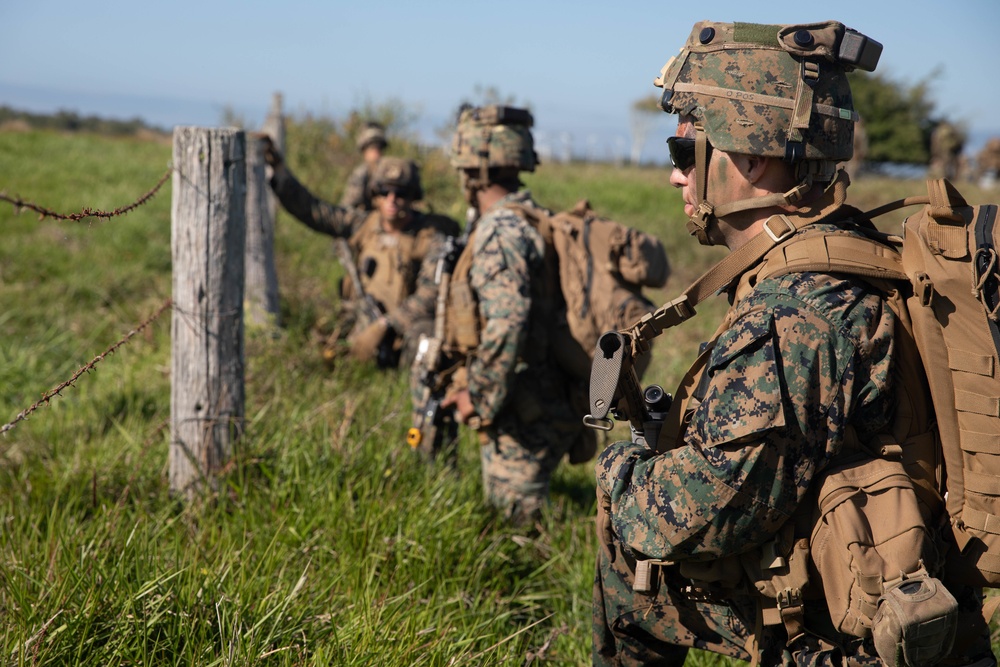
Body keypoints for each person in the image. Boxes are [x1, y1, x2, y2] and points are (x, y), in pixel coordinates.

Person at [592, 20, 996, 666]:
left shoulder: (793, 314)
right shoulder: (861, 251)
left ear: (751, 158)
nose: (675, 177)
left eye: (685, 154)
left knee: (629, 532)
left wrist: (620, 475)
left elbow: (705, 510)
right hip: (927, 623)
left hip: (853, 645)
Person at [437, 105, 585, 524]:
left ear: (470, 169)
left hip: (526, 408)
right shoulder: (535, 217)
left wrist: (479, 399)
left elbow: (507, 323)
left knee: (514, 531)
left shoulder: (498, 232)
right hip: (553, 393)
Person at [262, 138, 460, 368]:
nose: (392, 200)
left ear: (413, 196)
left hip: (405, 330)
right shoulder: (364, 224)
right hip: (363, 321)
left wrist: (386, 325)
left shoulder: (430, 237)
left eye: (401, 193)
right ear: (375, 194)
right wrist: (279, 171)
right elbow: (315, 211)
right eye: (385, 191)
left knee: (424, 337)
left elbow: (429, 295)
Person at [340, 121, 387, 211]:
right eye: (372, 147)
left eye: (378, 147)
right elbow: (348, 206)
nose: (376, 152)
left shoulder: (389, 171)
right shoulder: (361, 173)